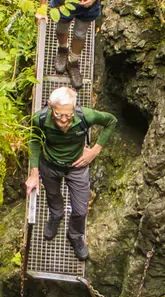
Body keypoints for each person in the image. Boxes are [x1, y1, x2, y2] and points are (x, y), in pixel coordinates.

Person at [27, 86, 116, 261]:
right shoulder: (40, 119)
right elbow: (34, 141)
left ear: (74, 109)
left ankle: (75, 235)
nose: (64, 120)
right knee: (53, 195)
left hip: (77, 166)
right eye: (59, 115)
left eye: (68, 115)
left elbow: (111, 121)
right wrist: (34, 172)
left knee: (81, 210)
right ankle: (56, 216)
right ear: (50, 107)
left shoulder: (86, 116)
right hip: (50, 165)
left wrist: (95, 150)